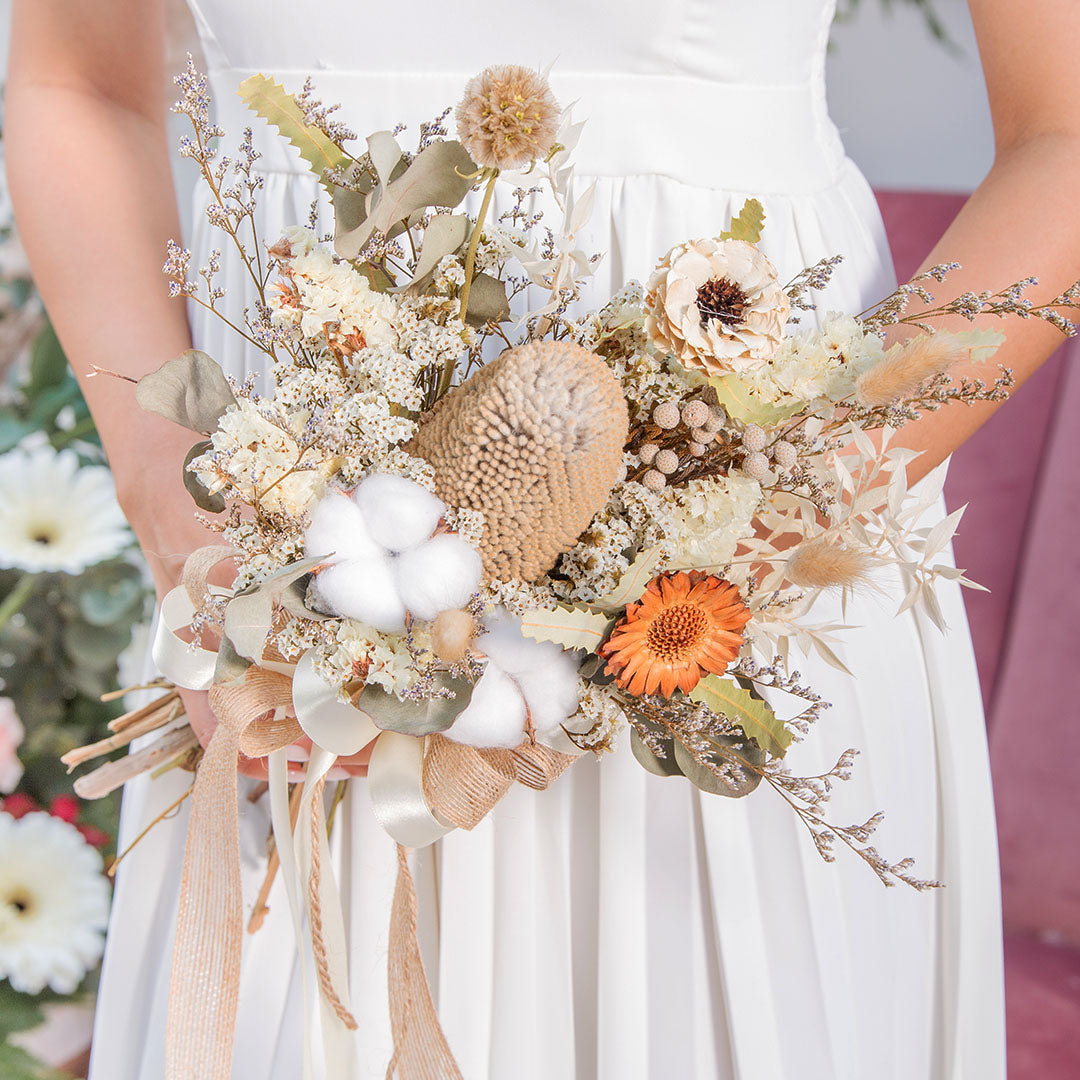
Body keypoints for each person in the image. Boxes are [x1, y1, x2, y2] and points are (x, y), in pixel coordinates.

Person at [7, 1, 1080, 1077]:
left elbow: (1063, 134)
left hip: (744, 534)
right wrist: (181, 514)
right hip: (289, 550)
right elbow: (75, 86)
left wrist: (760, 518)